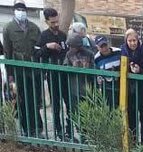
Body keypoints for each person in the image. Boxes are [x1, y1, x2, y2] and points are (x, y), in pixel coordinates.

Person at [3, 2, 43, 137]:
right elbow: (8, 52)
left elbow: (39, 49)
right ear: (14, 11)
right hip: (19, 71)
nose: (21, 12)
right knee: (23, 101)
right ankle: (27, 129)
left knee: (36, 100)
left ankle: (38, 128)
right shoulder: (9, 28)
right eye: (18, 10)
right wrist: (10, 74)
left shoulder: (34, 27)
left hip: (34, 70)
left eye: (23, 10)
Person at [37, 7, 69, 141]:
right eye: (52, 22)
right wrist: (47, 47)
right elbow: (37, 53)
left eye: (57, 22)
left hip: (65, 74)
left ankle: (69, 131)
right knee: (55, 105)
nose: (56, 25)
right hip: (52, 75)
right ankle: (58, 131)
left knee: (69, 104)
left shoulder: (62, 35)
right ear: (46, 22)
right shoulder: (44, 36)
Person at [121, 29, 143, 145]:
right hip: (130, 89)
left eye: (134, 40)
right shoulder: (123, 51)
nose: (132, 43)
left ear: (138, 40)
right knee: (131, 117)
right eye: (130, 41)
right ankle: (133, 142)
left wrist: (140, 70)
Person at [63, 35, 94, 142]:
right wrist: (72, 67)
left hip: (86, 89)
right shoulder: (69, 54)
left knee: (87, 114)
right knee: (75, 113)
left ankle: (87, 137)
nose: (71, 48)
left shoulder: (89, 54)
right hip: (74, 89)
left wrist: (86, 67)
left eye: (73, 46)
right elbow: (65, 67)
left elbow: (94, 69)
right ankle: (81, 136)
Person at [94, 36, 122, 109]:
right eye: (101, 46)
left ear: (108, 44)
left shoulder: (119, 52)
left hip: (121, 86)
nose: (104, 48)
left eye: (105, 45)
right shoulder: (96, 59)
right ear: (97, 47)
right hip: (107, 89)